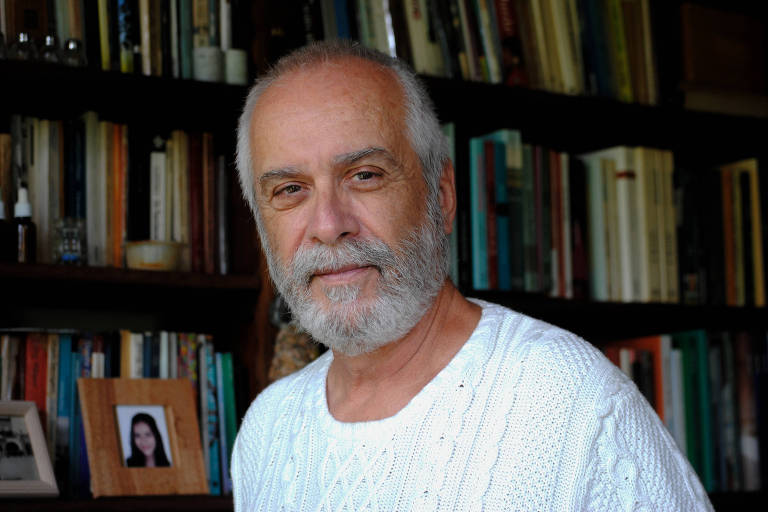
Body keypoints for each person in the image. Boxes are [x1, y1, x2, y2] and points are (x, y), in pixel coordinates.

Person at [231, 40, 713, 510]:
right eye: (291, 189)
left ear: (441, 196)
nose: (329, 226)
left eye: (365, 175)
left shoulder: (575, 405)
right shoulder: (266, 429)